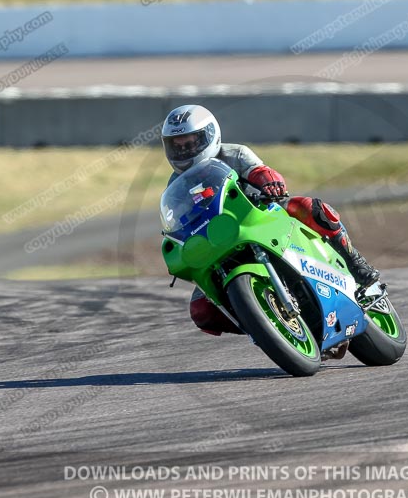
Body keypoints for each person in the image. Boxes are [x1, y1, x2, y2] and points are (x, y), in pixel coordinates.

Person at [162, 104, 380, 336]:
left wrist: (269, 181)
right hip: (220, 239)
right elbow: (178, 220)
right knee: (201, 310)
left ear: (209, 136)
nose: (184, 150)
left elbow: (259, 171)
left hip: (260, 215)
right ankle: (265, 326)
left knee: (308, 207)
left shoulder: (235, 153)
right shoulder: (176, 184)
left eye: (191, 142)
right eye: (177, 145)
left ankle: (356, 264)